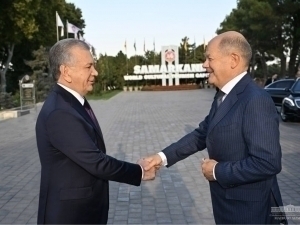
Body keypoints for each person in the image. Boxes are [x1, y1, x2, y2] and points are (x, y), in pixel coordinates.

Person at [143, 31, 287, 224]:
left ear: (233, 60)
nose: (204, 64)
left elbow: (268, 163)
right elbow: (202, 134)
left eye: (209, 58)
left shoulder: (255, 100)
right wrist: (161, 157)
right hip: (227, 208)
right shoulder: (223, 95)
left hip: (250, 212)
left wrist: (218, 171)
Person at [35, 39, 155, 224]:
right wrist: (138, 171)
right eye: (88, 67)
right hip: (70, 216)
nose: (95, 73)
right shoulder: (60, 111)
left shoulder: (71, 102)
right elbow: (97, 162)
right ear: (66, 71)